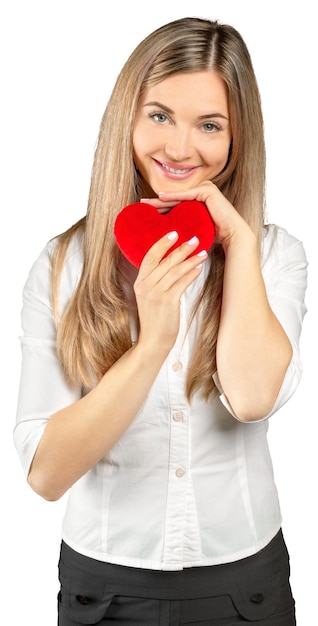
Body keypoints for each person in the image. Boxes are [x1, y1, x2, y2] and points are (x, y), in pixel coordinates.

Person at [14, 16, 307, 626]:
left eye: (209, 125)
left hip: (245, 586)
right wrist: (152, 347)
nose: (179, 148)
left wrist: (240, 246)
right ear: (127, 114)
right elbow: (45, 472)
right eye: (159, 115)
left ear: (237, 138)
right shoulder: (64, 264)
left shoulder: (275, 255)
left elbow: (253, 398)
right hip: (103, 590)